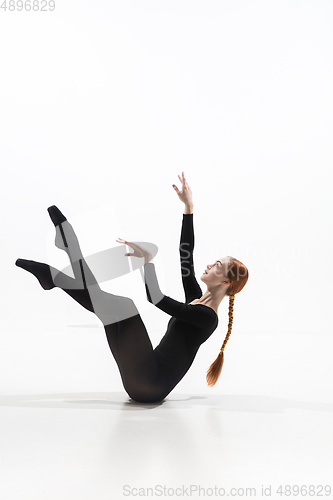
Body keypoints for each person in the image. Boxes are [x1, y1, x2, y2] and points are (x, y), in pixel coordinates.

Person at [15, 172, 249, 403]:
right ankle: (62, 262)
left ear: (226, 282)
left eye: (218, 265)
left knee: (123, 305)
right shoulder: (195, 299)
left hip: (149, 384)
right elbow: (185, 255)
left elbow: (155, 298)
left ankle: (62, 263)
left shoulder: (207, 317)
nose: (210, 264)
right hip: (142, 373)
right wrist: (189, 208)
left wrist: (147, 261)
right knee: (108, 309)